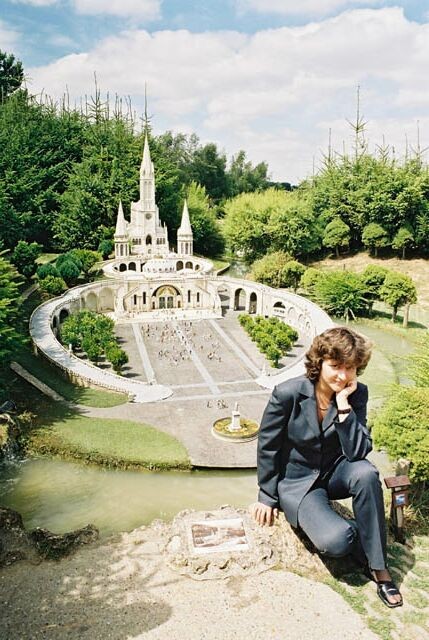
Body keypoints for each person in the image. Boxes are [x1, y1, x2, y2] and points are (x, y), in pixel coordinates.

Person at [251, 327, 403, 608]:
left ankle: (380, 570)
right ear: (319, 363)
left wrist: (344, 406)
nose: (342, 376)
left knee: (367, 472)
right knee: (337, 542)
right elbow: (268, 447)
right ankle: (364, 533)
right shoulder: (287, 393)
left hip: (336, 472)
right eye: (335, 366)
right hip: (299, 483)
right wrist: (267, 495)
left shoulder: (357, 394)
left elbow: (358, 452)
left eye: (350, 368)